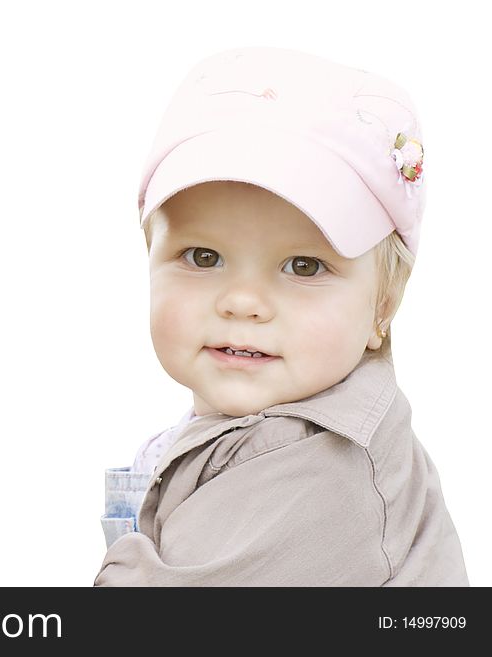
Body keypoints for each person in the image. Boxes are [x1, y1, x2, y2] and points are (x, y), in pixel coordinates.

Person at [94, 46, 470, 586]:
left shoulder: (313, 473)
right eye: (204, 257)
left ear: (382, 307)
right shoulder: (269, 425)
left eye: (303, 265)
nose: (244, 302)